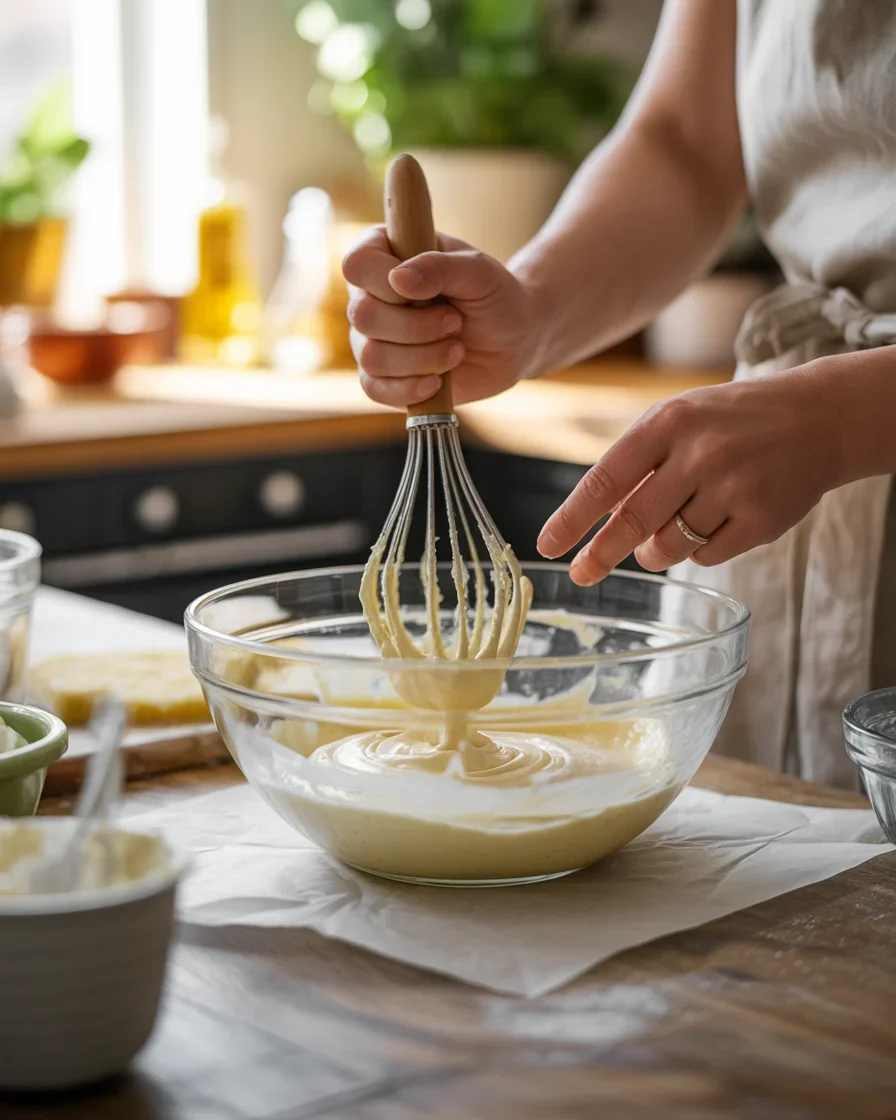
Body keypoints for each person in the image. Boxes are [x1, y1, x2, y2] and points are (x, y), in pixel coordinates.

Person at [342, 0, 896, 790]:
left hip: (810, 432)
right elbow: (687, 145)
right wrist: (532, 312)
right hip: (792, 486)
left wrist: (852, 418)